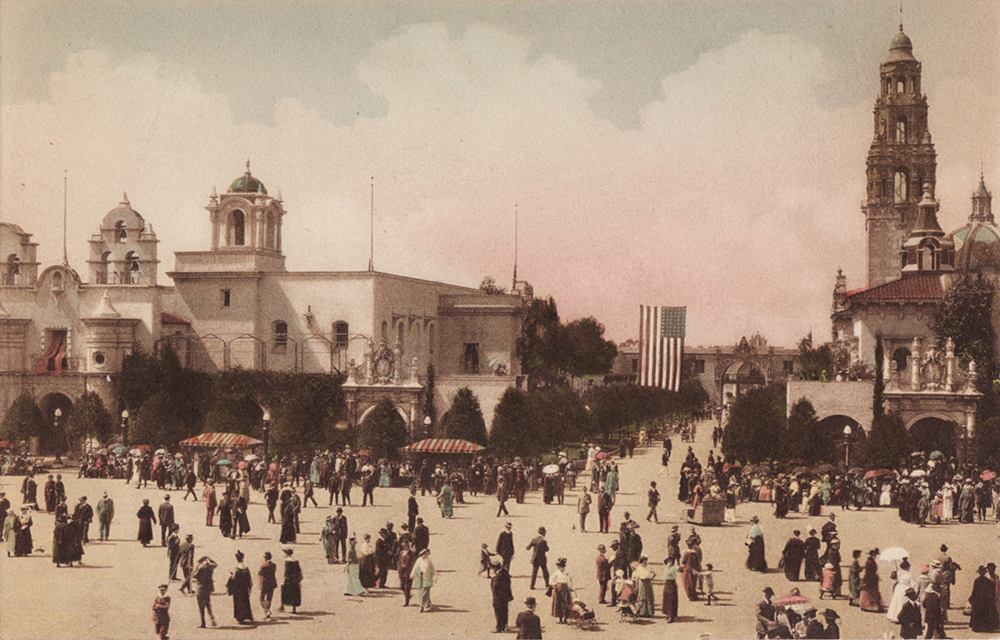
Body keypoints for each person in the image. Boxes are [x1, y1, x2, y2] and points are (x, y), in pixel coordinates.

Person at [969, 565, 1000, 632]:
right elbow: (991, 590)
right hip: (985, 600)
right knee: (984, 613)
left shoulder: (977, 580)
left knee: (978, 613)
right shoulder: (988, 581)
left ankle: (976, 627)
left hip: (978, 600)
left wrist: (971, 599)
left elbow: (974, 591)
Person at [227, 550, 254, 624]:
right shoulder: (246, 567)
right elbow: (249, 578)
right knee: (245, 601)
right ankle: (248, 616)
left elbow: (234, 578)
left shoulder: (237, 568)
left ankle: (240, 618)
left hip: (238, 588)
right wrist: (250, 586)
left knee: (238, 603)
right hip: (244, 588)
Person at [193, 556, 218, 628]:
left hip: (200, 587)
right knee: (208, 604)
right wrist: (210, 560)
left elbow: (195, 576)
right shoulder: (210, 567)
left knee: (201, 606)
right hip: (208, 587)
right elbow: (216, 564)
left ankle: (203, 622)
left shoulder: (200, 567)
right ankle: (212, 618)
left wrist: (195, 569)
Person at [888, 558, 916, 622]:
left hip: (899, 587)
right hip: (906, 587)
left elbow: (895, 580)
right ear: (906, 567)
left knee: (897, 602)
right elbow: (913, 583)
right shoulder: (909, 574)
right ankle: (904, 617)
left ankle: (895, 616)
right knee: (903, 602)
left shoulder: (899, 572)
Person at [549, 558, 574, 623]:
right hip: (558, 589)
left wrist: (570, 587)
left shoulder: (567, 573)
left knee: (566, 603)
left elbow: (569, 581)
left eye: (561, 567)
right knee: (558, 604)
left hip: (565, 589)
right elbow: (551, 579)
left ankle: (565, 618)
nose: (560, 568)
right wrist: (554, 585)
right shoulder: (556, 573)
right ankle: (560, 618)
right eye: (559, 567)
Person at [411, 548, 437, 612]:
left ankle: (425, 603)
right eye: (424, 554)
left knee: (426, 591)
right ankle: (422, 605)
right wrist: (412, 575)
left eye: (426, 554)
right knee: (420, 592)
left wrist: (434, 578)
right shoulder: (419, 561)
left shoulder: (428, 561)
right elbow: (415, 568)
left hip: (426, 578)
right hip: (419, 577)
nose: (425, 556)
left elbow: (432, 570)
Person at [491, 562, 514, 632]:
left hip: (499, 598)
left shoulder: (498, 576)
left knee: (498, 612)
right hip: (505, 596)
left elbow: (495, 588)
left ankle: (499, 627)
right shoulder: (505, 573)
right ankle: (505, 625)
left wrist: (495, 595)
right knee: (505, 611)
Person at [257, 551, 278, 620]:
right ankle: (267, 610)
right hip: (271, 583)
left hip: (265, 583)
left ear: (265, 558)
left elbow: (259, 573)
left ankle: (266, 611)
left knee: (261, 598)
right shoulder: (274, 565)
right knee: (269, 598)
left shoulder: (263, 565)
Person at [398, 536, 416, 606]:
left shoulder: (411, 554)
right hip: (402, 572)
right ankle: (407, 595)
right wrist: (399, 570)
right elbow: (399, 562)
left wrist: (412, 573)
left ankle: (406, 602)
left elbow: (413, 563)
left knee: (407, 588)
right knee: (402, 586)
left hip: (408, 572)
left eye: (406, 545)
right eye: (403, 546)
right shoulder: (401, 553)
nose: (405, 547)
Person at [662, 555, 679, 622]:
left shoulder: (673, 568)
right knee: (666, 598)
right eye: (668, 561)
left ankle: (672, 615)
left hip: (671, 583)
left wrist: (668, 567)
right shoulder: (667, 568)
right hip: (667, 583)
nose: (669, 563)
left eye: (670, 561)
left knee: (671, 599)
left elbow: (668, 574)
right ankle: (668, 613)